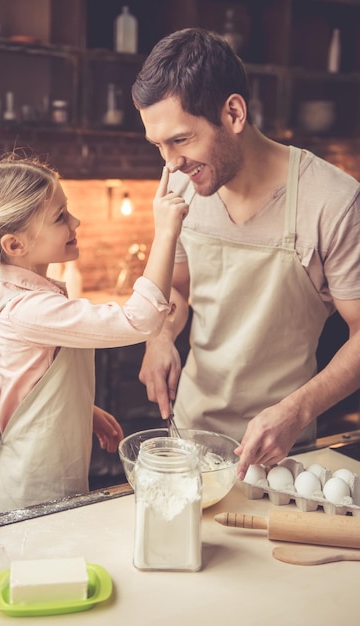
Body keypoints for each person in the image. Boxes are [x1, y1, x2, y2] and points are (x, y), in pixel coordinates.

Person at [132, 28, 360, 481]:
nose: (170, 162)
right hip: (190, 442)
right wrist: (159, 337)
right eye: (158, 145)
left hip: (284, 454)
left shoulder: (332, 200)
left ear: (233, 112)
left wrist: (296, 411)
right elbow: (178, 289)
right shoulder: (181, 186)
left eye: (180, 139)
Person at [0, 153, 188, 517]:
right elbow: (141, 320)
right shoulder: (30, 310)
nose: (75, 221)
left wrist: (83, 409)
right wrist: (166, 231)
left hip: (46, 486)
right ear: (15, 245)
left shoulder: (28, 299)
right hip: (32, 498)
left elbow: (27, 384)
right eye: (60, 217)